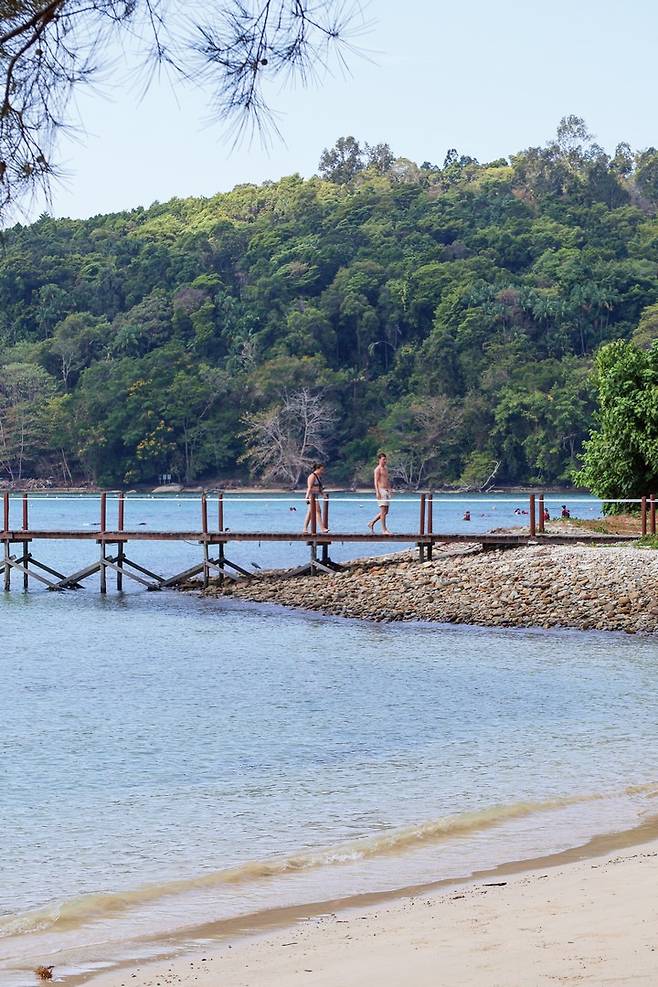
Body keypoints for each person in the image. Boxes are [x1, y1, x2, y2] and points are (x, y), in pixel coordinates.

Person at [368, 452, 392, 534]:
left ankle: (371, 523)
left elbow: (387, 480)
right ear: (379, 460)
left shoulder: (386, 468)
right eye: (383, 459)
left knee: (386, 512)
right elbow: (375, 481)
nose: (385, 461)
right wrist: (377, 492)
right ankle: (384, 530)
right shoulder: (377, 469)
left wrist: (390, 489)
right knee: (383, 511)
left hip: (386, 490)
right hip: (381, 490)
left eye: (385, 459)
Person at [302, 463, 328, 534]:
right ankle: (322, 528)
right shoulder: (312, 476)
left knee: (310, 513)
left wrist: (323, 495)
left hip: (316, 496)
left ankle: (304, 528)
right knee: (318, 511)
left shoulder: (319, 477)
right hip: (312, 496)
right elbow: (309, 487)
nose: (322, 471)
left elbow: (319, 488)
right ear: (317, 469)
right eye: (321, 469)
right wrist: (307, 497)